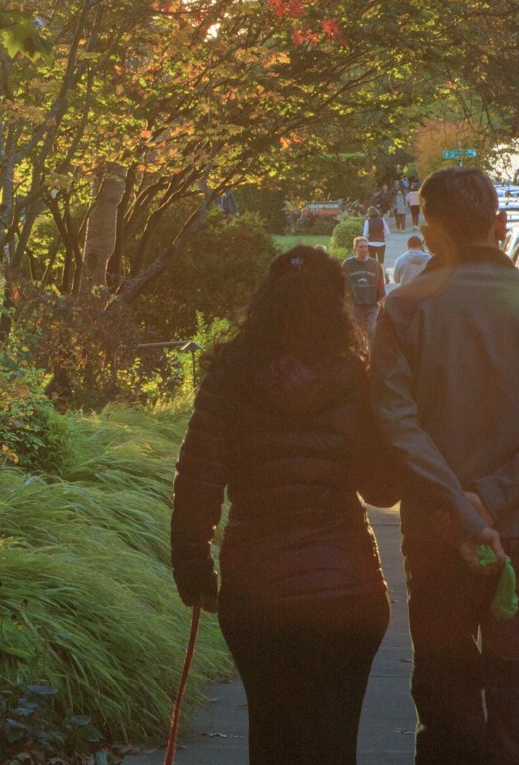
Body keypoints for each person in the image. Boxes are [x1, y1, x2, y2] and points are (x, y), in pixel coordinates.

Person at [371, 167, 519, 765]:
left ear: (428, 228)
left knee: (445, 701)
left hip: (436, 536)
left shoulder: (402, 310)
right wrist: (492, 498)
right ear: (499, 224)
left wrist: (459, 505)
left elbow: (397, 421)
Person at [172, 246, 400, 765]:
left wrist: (194, 570)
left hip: (258, 593)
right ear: (335, 306)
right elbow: (383, 492)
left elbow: (196, 483)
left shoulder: (229, 377)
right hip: (347, 591)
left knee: (272, 736)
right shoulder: (355, 377)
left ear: (265, 302)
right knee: (333, 743)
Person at [343, 237, 386, 331]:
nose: (364, 249)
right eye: (361, 247)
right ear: (355, 248)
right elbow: (341, 284)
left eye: (366, 247)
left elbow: (381, 287)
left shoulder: (375, 264)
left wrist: (383, 306)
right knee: (357, 333)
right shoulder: (348, 264)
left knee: (372, 330)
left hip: (372, 306)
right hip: (355, 306)